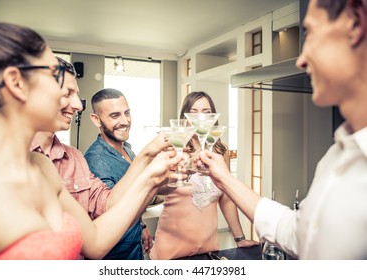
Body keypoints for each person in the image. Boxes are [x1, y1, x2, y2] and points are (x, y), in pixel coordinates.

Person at [0, 21, 181, 260]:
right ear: (16, 83)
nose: (76, 104)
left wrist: (151, 177)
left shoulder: (42, 167)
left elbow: (94, 242)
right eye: (54, 78)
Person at [198, 0, 367, 260]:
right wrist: (224, 178)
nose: (301, 59)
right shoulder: (335, 157)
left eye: (309, 33)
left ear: (354, 24)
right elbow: (297, 233)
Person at [30, 58, 162, 259]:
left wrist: (147, 160)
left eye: (127, 113)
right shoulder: (2, 161)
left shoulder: (74, 158)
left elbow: (108, 205)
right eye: (68, 94)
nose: (77, 105)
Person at [150, 91, 259, 260]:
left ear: (213, 117)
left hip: (208, 248)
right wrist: (184, 172)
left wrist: (240, 238)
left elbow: (226, 197)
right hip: (171, 249)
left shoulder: (221, 152)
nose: (200, 117)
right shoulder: (171, 149)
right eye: (193, 112)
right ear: (184, 117)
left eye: (206, 112)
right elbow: (156, 189)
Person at [84, 88, 153, 260]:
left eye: (127, 113)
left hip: (135, 245)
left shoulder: (128, 149)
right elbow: (113, 213)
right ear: (96, 120)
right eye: (115, 116)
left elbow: (130, 194)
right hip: (116, 255)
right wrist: (153, 179)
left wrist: (142, 226)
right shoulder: (96, 160)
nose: (125, 121)